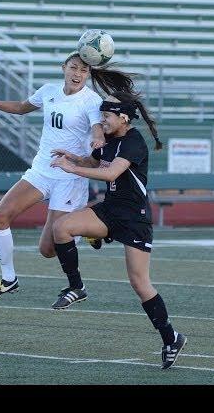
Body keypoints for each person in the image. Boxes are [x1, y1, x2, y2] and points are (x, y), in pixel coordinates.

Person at [49, 89, 187, 369]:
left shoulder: (134, 142)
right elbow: (98, 163)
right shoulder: (110, 138)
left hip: (134, 218)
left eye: (107, 116)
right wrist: (75, 158)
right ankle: (77, 287)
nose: (103, 120)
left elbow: (111, 173)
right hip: (110, 209)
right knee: (61, 227)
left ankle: (171, 337)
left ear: (124, 118)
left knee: (139, 283)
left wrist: (71, 169)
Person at [0, 52, 106, 299]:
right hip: (41, 169)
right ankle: (9, 279)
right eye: (73, 68)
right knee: (0, 216)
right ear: (64, 68)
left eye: (84, 71)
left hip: (70, 176)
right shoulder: (48, 90)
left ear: (88, 75)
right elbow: (20, 107)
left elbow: (96, 128)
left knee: (48, 250)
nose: (77, 74)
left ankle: (87, 227)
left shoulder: (91, 101)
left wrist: (98, 138)